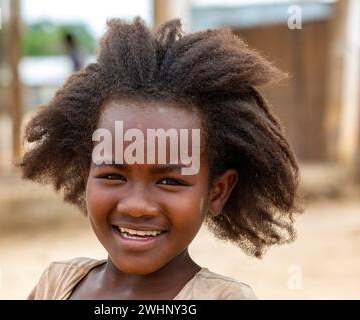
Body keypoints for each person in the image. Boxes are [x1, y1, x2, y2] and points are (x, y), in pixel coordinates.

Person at [21, 17, 302, 300]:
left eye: (170, 181)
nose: (137, 206)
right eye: (113, 176)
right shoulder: (57, 285)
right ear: (86, 175)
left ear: (216, 192)